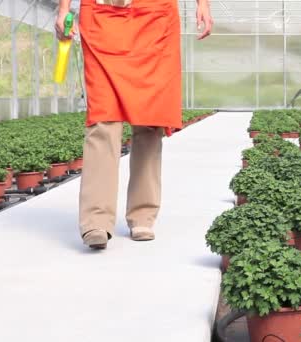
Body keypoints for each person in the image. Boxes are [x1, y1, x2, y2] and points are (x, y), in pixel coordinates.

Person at [56, 0, 213, 249]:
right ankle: (96, 220)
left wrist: (202, 3)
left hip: (155, 17)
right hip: (102, 16)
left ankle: (142, 215)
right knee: (102, 119)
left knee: (151, 120)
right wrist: (63, 9)